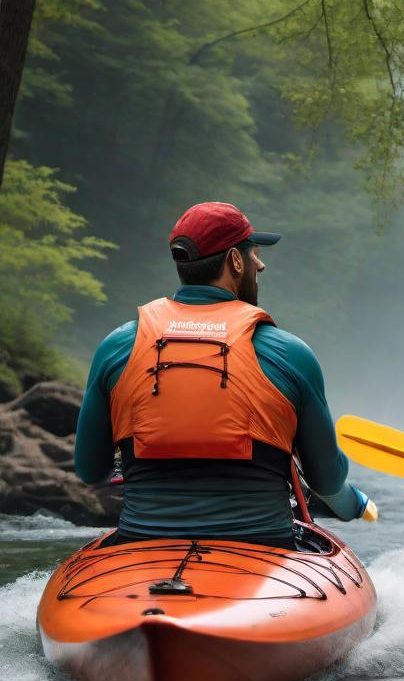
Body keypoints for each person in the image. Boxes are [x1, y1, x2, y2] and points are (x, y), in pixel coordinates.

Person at [75, 201, 376, 548]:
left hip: (144, 543)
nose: (260, 264)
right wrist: (347, 489)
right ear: (235, 260)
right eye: (254, 254)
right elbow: (326, 479)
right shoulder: (290, 353)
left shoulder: (117, 346)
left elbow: (89, 470)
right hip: (263, 547)